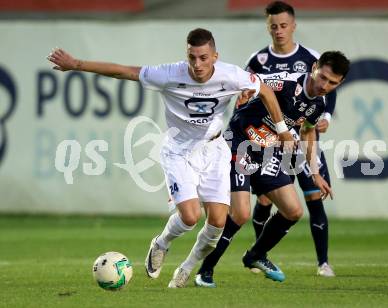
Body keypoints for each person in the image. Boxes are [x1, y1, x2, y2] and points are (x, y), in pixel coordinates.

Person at [47, 28, 294, 288]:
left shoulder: (231, 75)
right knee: (189, 217)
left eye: (203, 58)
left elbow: (265, 90)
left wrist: (282, 130)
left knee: (218, 223)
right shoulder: (169, 74)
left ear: (215, 57)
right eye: (192, 58)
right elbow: (123, 71)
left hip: (214, 150)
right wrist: (76, 64)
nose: (197, 65)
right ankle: (161, 243)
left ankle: (187, 268)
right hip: (178, 151)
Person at [195, 51, 350, 287]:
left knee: (293, 211)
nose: (324, 85)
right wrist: (245, 92)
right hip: (240, 142)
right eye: (323, 77)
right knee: (241, 214)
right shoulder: (286, 81)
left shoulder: (319, 103)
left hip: (268, 151)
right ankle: (206, 269)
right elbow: (253, 81)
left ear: (340, 83)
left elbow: (308, 132)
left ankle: (255, 255)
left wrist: (315, 172)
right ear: (315, 67)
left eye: (332, 83)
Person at [247, 1, 337, 277]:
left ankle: (323, 262)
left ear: (294, 26)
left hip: (303, 139)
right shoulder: (258, 60)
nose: (279, 31)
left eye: (284, 25)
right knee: (264, 200)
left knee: (313, 196)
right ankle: (261, 254)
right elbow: (248, 89)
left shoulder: (312, 58)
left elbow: (327, 92)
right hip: (270, 142)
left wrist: (328, 118)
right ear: (268, 27)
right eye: (273, 26)